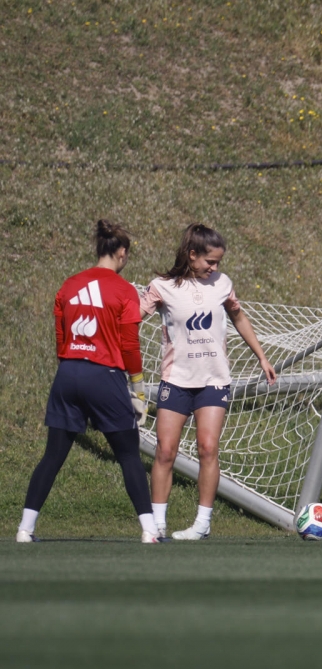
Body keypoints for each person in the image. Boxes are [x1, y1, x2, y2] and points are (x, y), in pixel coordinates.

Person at [17, 220, 160, 544]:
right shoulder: (124, 290)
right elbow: (129, 346)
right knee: (127, 454)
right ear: (121, 252)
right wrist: (137, 388)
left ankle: (25, 529)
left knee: (52, 456)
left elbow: (60, 337)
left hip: (67, 373)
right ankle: (150, 531)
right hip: (103, 376)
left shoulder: (69, 285)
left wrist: (71, 366)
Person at [141, 224, 277, 540]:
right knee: (165, 451)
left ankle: (202, 524)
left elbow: (238, 316)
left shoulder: (222, 284)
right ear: (191, 255)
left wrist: (262, 357)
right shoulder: (162, 287)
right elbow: (133, 315)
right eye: (209, 262)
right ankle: (157, 524)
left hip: (214, 381)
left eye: (217, 263)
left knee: (208, 448)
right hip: (176, 381)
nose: (214, 268)